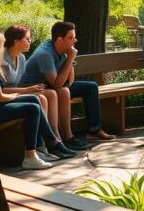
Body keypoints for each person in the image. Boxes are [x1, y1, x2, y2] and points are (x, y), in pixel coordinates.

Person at [0, 31, 76, 170]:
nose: (4, 48)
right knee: (31, 108)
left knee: (34, 100)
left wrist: (24, 94)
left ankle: (49, 144)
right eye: (2, 45)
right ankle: (31, 155)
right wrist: (18, 96)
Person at [20, 21, 115, 150]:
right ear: (60, 40)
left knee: (90, 87)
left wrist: (68, 59)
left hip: (50, 85)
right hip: (33, 87)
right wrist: (70, 59)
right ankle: (63, 138)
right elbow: (57, 84)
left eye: (74, 37)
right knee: (63, 91)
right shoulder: (45, 54)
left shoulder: (63, 50)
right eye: (71, 38)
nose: (74, 41)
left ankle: (93, 131)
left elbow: (69, 82)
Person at [2, 25, 73, 158]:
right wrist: (28, 90)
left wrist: (69, 58)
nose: (30, 41)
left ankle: (56, 139)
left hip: (19, 92)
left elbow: (68, 82)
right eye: (27, 39)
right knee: (40, 98)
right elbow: (0, 90)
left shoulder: (21, 58)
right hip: (6, 96)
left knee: (51, 94)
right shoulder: (2, 60)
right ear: (16, 42)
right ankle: (46, 145)